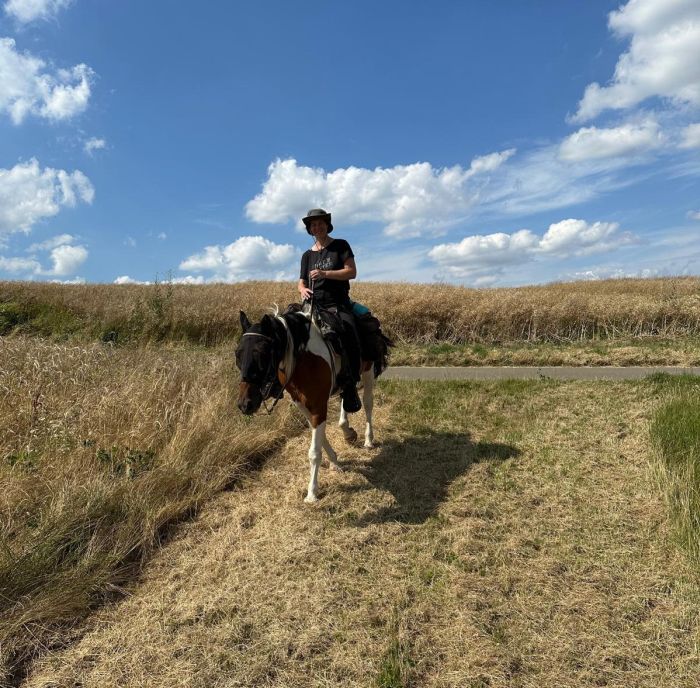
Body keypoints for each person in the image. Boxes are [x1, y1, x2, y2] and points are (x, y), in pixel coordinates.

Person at [298, 208, 362, 413]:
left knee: (349, 331)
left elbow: (351, 272)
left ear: (327, 224)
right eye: (313, 225)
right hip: (313, 305)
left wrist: (325, 273)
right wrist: (302, 289)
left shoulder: (340, 246)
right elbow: (301, 281)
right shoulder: (307, 255)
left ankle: (349, 385)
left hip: (337, 304)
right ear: (309, 229)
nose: (317, 227)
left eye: (320, 223)